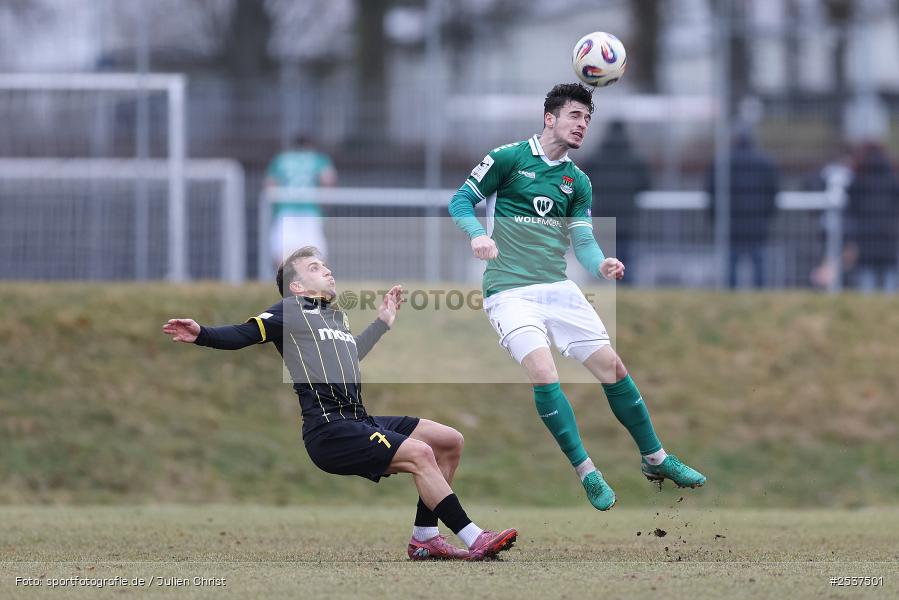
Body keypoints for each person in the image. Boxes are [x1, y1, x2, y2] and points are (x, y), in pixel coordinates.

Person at [162, 246, 517, 561]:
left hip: (359, 421)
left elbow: (349, 357)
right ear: (297, 286)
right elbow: (244, 333)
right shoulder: (288, 310)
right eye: (315, 268)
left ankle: (425, 539)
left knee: (448, 441)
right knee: (422, 453)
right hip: (330, 431)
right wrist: (202, 335)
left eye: (324, 265)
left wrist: (382, 323)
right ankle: (474, 537)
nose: (327, 270)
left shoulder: (335, 317)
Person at [448, 83, 705, 512]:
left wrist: (601, 263)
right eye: (575, 116)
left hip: (557, 288)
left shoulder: (577, 181)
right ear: (550, 118)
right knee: (545, 374)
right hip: (509, 291)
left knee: (613, 367)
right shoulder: (508, 158)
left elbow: (582, 240)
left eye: (587, 119)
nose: (583, 124)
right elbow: (460, 201)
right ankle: (587, 471)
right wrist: (477, 235)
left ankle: (655, 458)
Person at [706, 130, 780, 289]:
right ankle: (761, 297)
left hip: (730, 224)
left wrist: (715, 218)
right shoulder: (765, 162)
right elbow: (773, 192)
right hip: (757, 223)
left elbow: (711, 192)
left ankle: (728, 297)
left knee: (730, 267)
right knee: (759, 266)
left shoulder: (723, 162)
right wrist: (767, 216)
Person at [580, 119, 651, 277]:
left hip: (603, 216)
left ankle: (604, 288)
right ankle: (625, 286)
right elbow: (646, 183)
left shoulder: (596, 157)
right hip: (627, 216)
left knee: (602, 256)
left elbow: (583, 181)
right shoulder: (634, 159)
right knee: (626, 258)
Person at [264, 136, 337, 270]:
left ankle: (283, 286)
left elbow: (270, 185)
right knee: (317, 256)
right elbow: (327, 180)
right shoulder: (318, 159)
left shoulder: (281, 159)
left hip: (285, 210)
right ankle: (317, 287)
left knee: (282, 255)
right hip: (310, 210)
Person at [843, 143, 899, 293]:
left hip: (865, 238)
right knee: (890, 280)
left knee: (866, 282)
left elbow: (850, 211)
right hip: (889, 237)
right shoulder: (892, 180)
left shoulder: (857, 181)